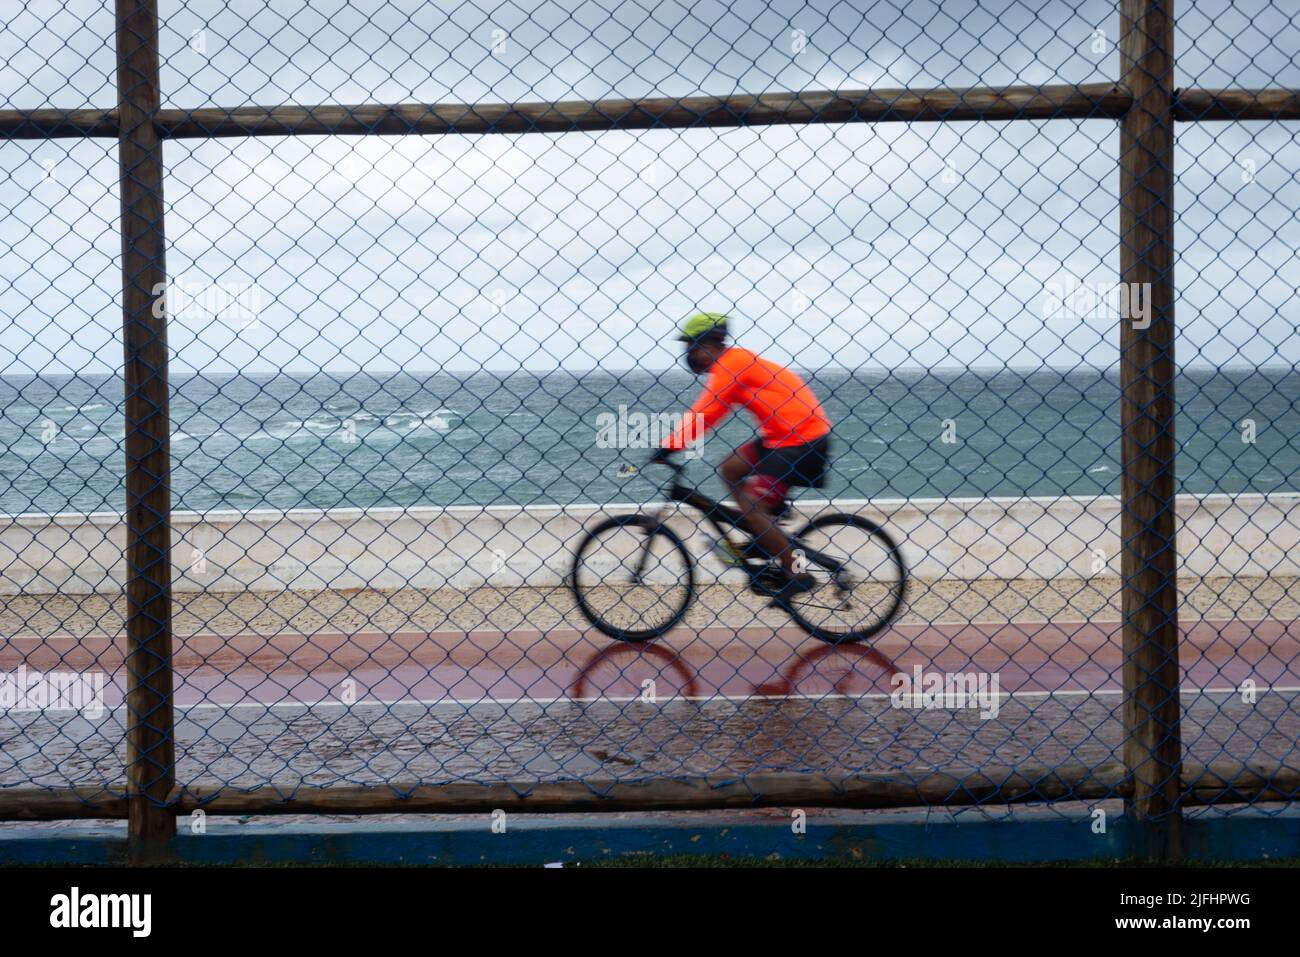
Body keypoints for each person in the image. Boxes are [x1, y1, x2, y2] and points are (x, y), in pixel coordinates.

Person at [650, 311, 832, 598]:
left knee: (753, 505)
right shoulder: (732, 366)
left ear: (711, 344)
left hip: (801, 440)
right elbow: (714, 412)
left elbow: (706, 412)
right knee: (731, 468)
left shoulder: (733, 364)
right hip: (783, 437)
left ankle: (797, 571)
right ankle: (765, 533)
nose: (689, 356)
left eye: (692, 348)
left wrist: (671, 445)